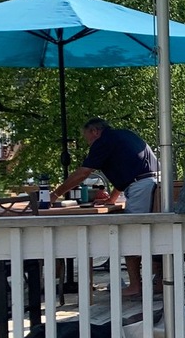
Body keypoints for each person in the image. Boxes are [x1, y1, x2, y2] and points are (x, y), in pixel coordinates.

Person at [52, 117, 160, 295]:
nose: (88, 143)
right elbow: (128, 173)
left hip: (141, 187)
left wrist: (55, 194)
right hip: (156, 183)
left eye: (87, 137)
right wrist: (112, 199)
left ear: (95, 131)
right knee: (155, 233)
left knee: (132, 236)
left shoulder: (104, 141)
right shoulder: (125, 135)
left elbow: (84, 172)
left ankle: (135, 286)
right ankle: (159, 282)